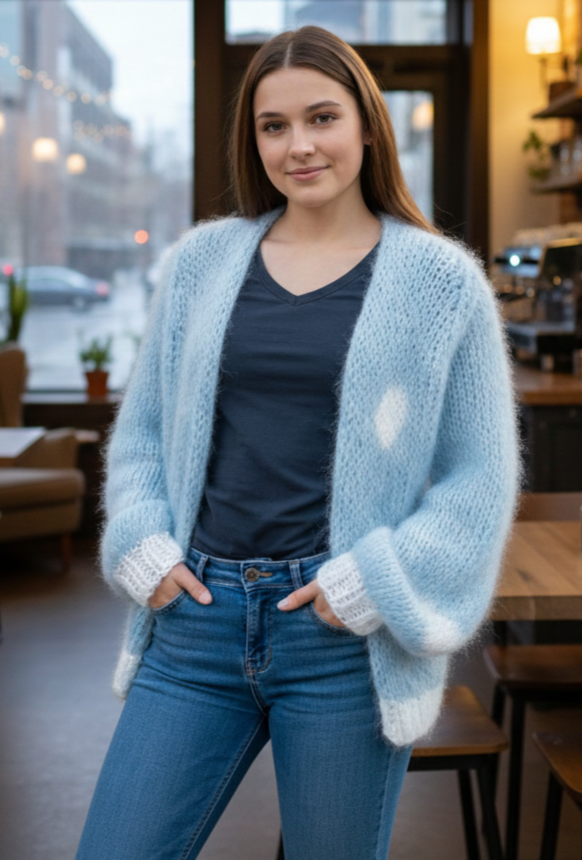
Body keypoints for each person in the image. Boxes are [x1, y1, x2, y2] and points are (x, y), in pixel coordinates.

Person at [75, 25, 521, 860]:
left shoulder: (440, 280)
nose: (299, 145)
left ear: (366, 126)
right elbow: (139, 433)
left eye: (322, 117)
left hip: (339, 637)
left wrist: (374, 584)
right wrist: (139, 541)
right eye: (273, 126)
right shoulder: (201, 264)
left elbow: (478, 480)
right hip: (196, 623)